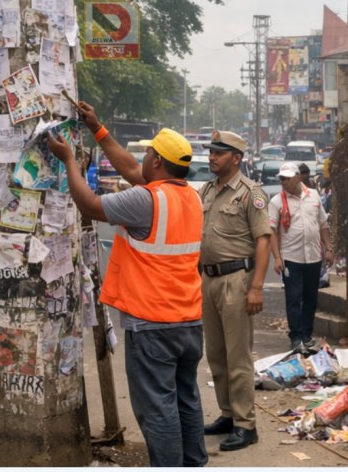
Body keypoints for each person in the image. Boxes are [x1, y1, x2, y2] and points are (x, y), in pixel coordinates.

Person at [46, 103, 207, 467]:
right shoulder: (189, 198)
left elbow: (90, 206)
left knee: (158, 408)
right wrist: (98, 130)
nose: (144, 158)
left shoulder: (145, 200)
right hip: (188, 321)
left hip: (152, 325)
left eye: (148, 152)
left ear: (157, 162)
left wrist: (69, 160)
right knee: (186, 399)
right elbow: (133, 170)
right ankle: (194, 463)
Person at [199, 130, 271, 451]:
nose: (212, 157)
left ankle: (246, 424)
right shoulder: (207, 190)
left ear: (236, 158)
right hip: (209, 279)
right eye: (211, 151)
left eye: (219, 152)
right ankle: (227, 414)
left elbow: (264, 240)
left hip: (237, 280)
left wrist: (256, 286)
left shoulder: (250, 193)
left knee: (238, 356)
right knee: (216, 354)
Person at [268, 162, 333, 350]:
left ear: (298, 177)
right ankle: (295, 337)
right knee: (294, 298)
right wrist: (277, 258)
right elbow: (271, 231)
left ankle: (306, 335)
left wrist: (328, 248)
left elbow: (323, 224)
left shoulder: (313, 196)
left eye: (287, 178)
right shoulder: (277, 201)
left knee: (311, 297)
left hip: (313, 256)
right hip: (291, 258)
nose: (284, 182)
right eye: (281, 178)